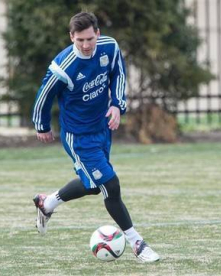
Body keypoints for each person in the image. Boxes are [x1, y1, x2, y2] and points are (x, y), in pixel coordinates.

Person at [31, 12, 159, 263]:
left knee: (91, 185)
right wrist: (42, 125)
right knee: (111, 186)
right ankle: (138, 244)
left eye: (90, 38)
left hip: (102, 128)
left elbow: (118, 75)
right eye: (80, 40)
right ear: (71, 37)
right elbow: (43, 97)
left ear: (97, 34)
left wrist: (117, 106)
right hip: (78, 137)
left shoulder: (109, 48)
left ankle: (47, 204)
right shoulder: (63, 66)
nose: (86, 45)